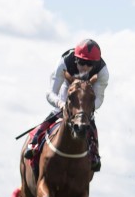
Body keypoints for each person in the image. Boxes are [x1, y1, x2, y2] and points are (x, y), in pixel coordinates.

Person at [23, 39, 110, 172]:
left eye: (89, 64)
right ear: (75, 59)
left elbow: (98, 100)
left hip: (86, 97)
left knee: (88, 120)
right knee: (56, 111)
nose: (85, 67)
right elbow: (50, 92)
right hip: (66, 90)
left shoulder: (102, 72)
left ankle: (94, 154)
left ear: (96, 63)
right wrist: (62, 104)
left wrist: (83, 110)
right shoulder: (64, 63)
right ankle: (34, 143)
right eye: (82, 62)